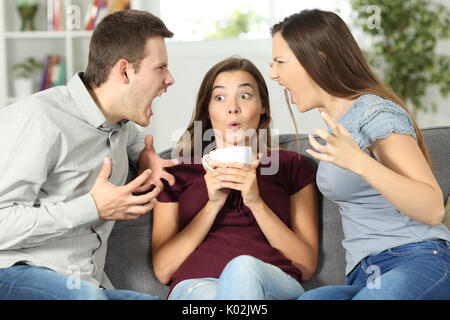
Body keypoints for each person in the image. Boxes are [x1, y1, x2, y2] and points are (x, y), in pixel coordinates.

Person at [269, 9, 450, 300]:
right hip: (364, 274)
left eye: (280, 62)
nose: (273, 74)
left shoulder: (374, 112)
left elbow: (432, 208)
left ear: (319, 57)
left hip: (417, 257)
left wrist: (360, 162)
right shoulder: (337, 125)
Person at [0, 10, 178, 300]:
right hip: (15, 272)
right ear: (124, 71)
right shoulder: (39, 120)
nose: (169, 79)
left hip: (86, 285)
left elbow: (132, 140)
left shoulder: (119, 126)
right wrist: (92, 208)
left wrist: (143, 158)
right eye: (161, 68)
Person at [152, 57, 318, 300]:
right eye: (219, 98)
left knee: (243, 268)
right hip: (197, 288)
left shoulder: (291, 166)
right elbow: (164, 270)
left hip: (271, 285)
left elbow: (305, 265)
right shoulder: (177, 174)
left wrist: (255, 202)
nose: (233, 108)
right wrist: (213, 205)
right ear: (207, 110)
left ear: (263, 106)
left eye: (245, 95)